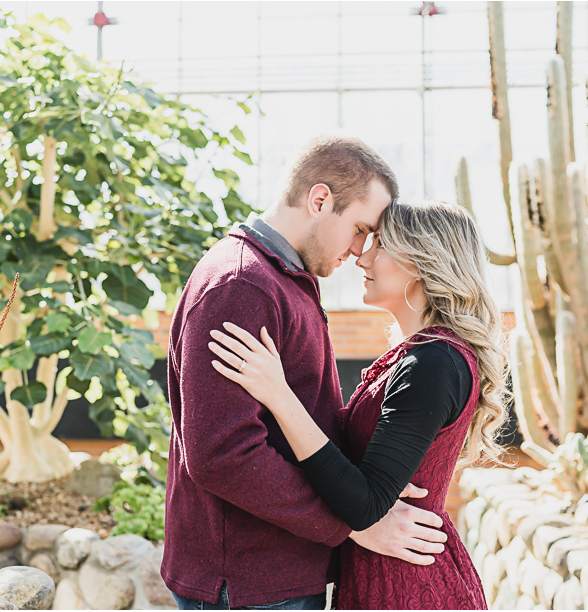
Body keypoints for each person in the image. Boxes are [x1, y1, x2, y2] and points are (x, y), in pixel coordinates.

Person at [161, 136, 450, 610]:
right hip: (250, 585)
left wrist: (369, 483)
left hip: (275, 575)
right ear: (319, 200)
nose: (361, 251)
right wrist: (352, 522)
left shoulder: (284, 278)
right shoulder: (243, 285)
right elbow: (222, 453)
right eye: (360, 228)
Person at [207, 199, 509, 609]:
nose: (361, 257)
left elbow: (365, 506)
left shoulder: (433, 363)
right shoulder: (418, 355)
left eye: (380, 245)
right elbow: (363, 485)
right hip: (384, 572)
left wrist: (278, 395)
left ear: (420, 262)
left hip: (407, 587)